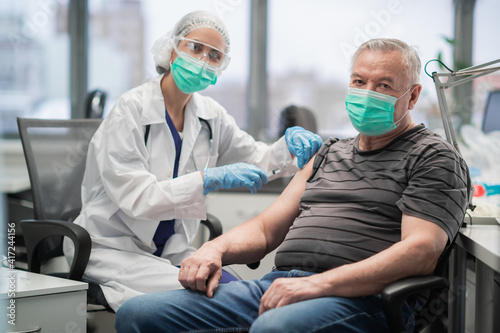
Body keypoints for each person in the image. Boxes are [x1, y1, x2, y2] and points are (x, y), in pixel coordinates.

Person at [115, 38, 470, 333]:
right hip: (280, 285)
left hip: (361, 298)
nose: (367, 93)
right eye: (359, 82)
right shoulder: (330, 152)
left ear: (412, 96)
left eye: (384, 85)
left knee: (273, 328)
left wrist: (316, 285)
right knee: (137, 315)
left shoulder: (433, 157)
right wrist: (213, 250)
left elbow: (421, 251)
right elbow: (267, 229)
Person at [63, 10, 322, 311]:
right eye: (195, 48)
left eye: (214, 56)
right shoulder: (130, 111)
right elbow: (138, 198)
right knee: (212, 297)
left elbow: (257, 159)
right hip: (110, 248)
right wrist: (208, 179)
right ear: (172, 50)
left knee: (231, 285)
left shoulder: (211, 115)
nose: (202, 60)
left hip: (166, 251)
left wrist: (287, 147)